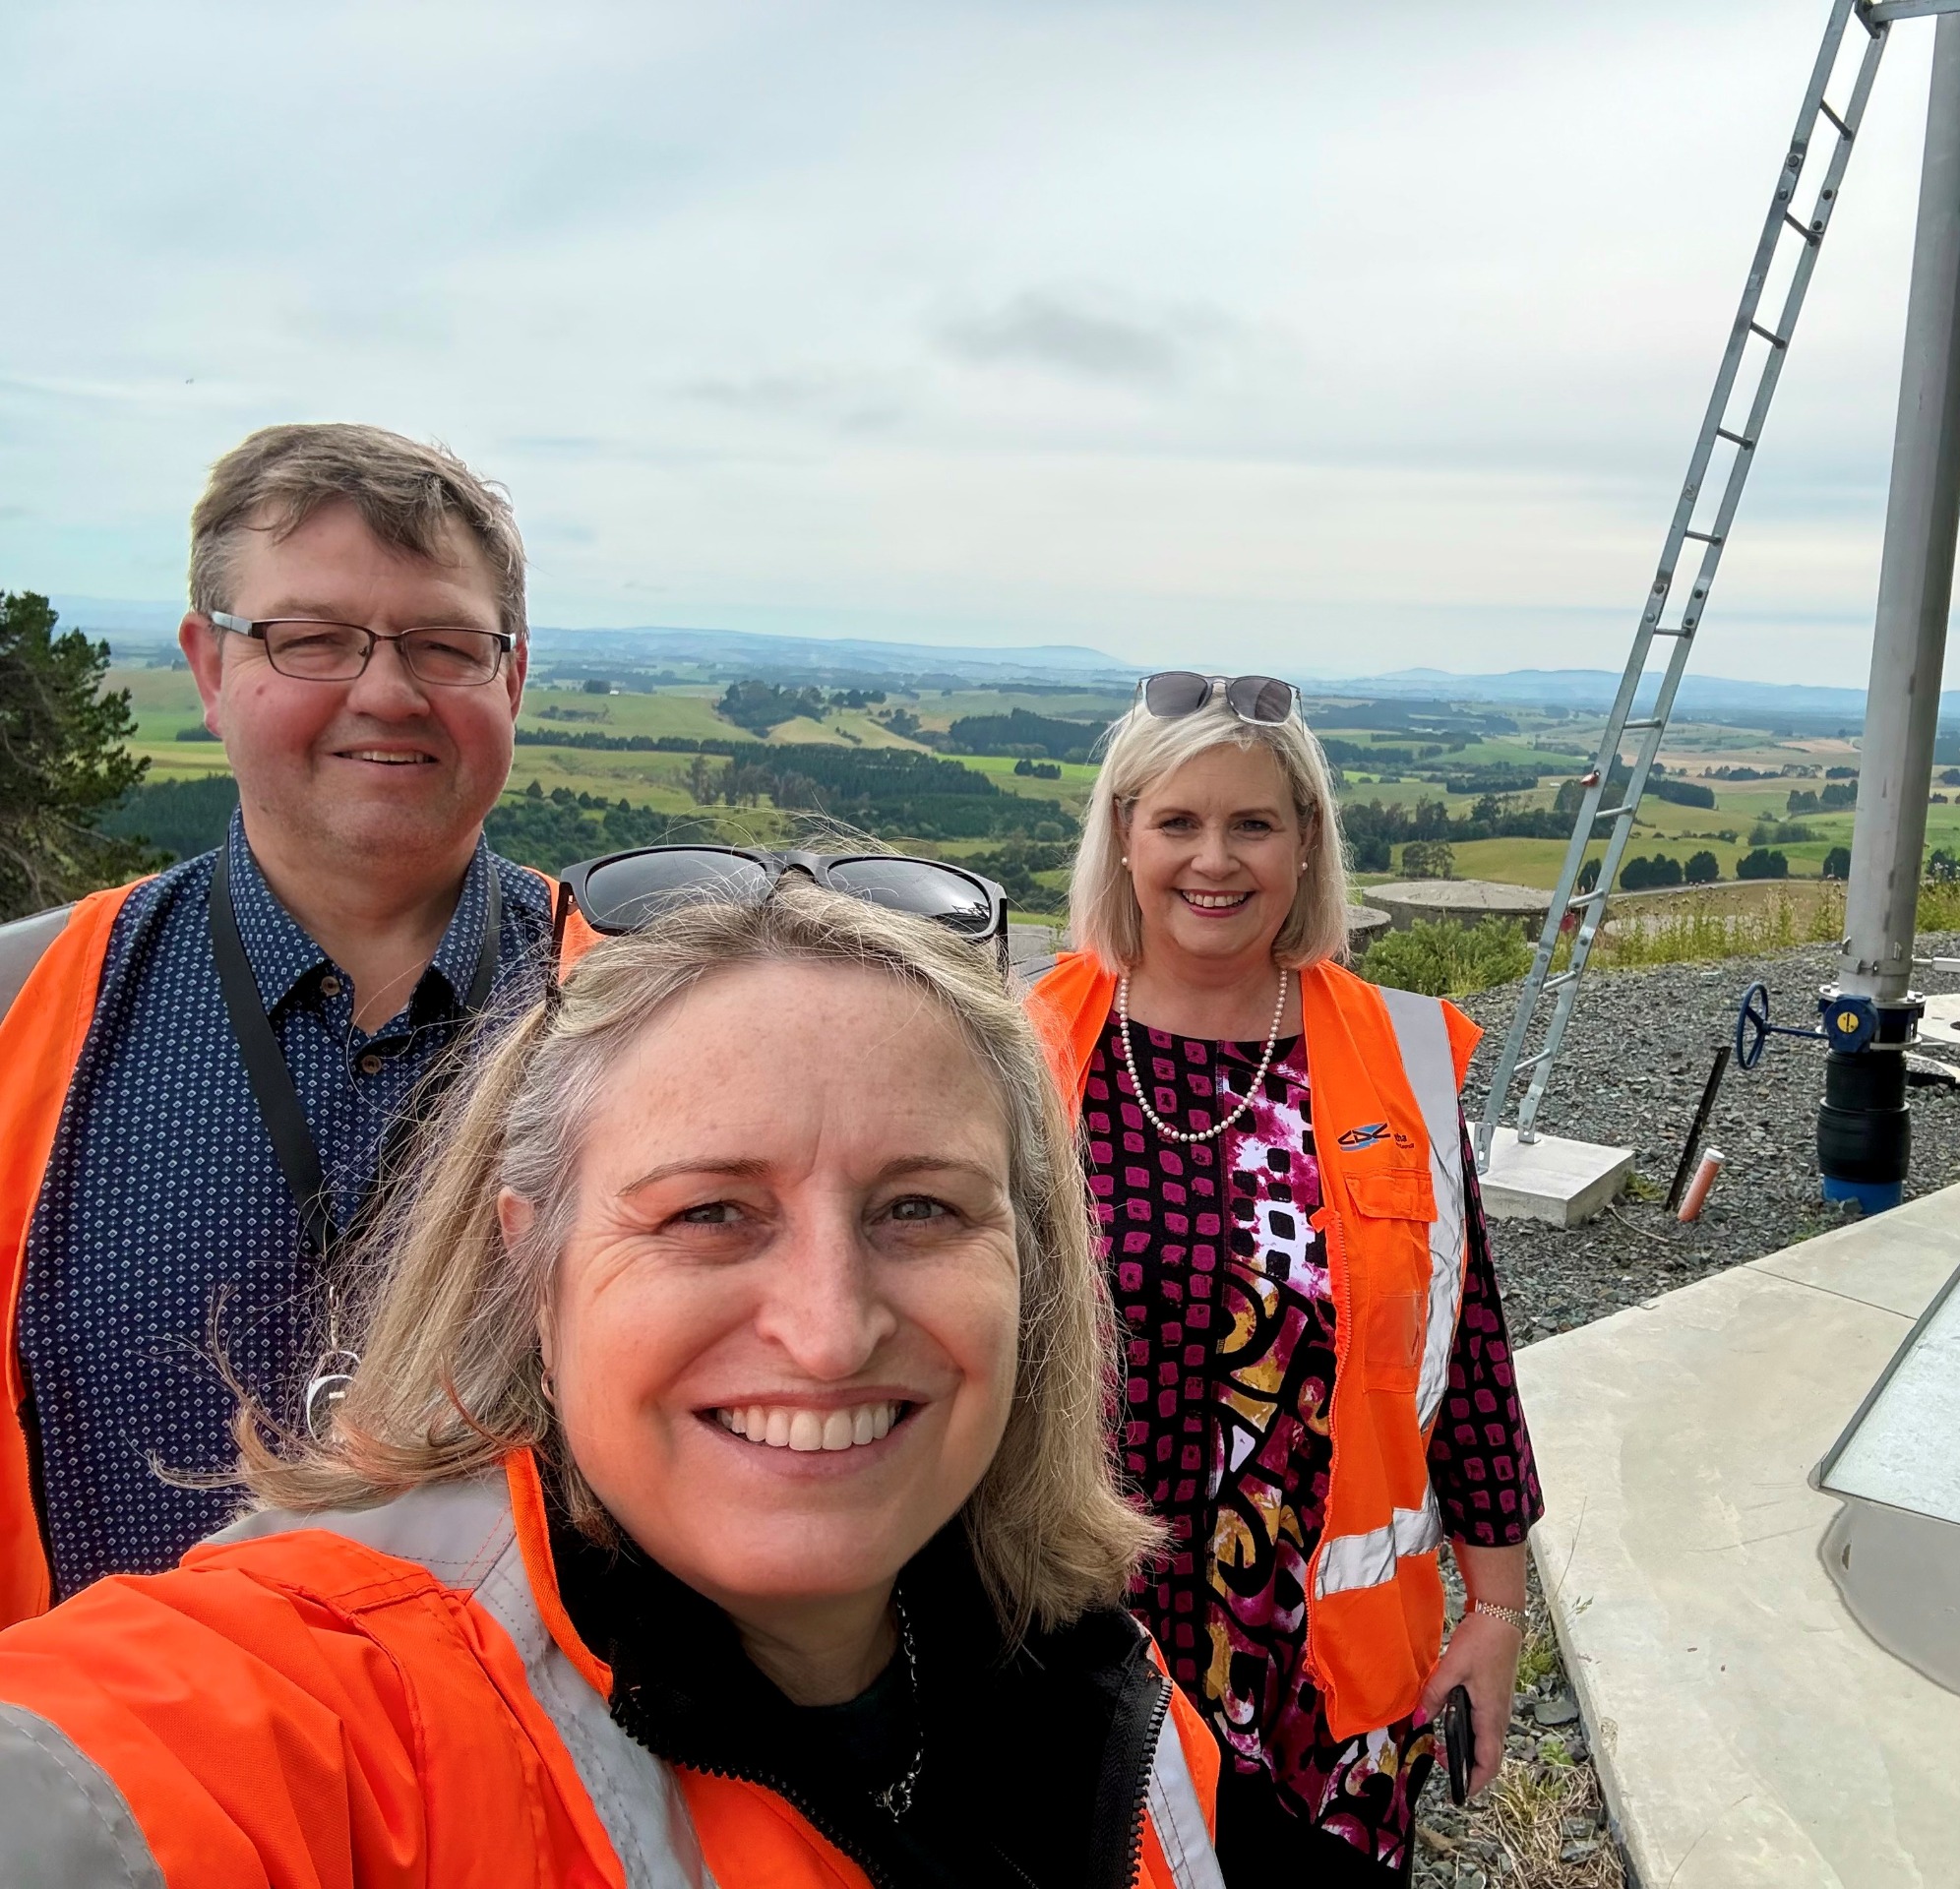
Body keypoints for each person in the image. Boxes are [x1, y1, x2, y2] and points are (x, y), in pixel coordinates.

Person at [0, 884, 1223, 1889]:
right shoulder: (353, 1695)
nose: (829, 1331)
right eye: (710, 1213)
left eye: (920, 1208)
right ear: (536, 1269)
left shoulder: (1103, 1700)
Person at [0, 423, 555, 1626]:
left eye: (445, 644)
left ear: (510, 678)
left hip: (547, 1793)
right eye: (310, 640)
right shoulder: (20, 1014)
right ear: (208, 670)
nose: (387, 691)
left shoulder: (640, 1016)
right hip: (125, 1793)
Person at [1025, 672, 1543, 1883]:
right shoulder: (1025, 1048)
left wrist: (1499, 1611)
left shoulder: (1399, 1055)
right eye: (1178, 822)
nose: (1216, 859)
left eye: (1252, 823)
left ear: (1306, 842)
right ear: (1123, 838)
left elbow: (1465, 1350)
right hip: (1071, 1649)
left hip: (1328, 1681)